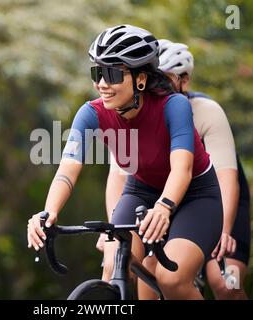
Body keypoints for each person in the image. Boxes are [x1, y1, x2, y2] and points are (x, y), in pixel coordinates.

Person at [27, 25, 223, 299]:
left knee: (171, 279)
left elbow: (183, 169)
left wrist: (164, 208)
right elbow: (67, 170)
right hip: (141, 191)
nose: (101, 84)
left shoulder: (173, 105)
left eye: (112, 74)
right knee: (113, 266)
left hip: (195, 195)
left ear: (141, 79)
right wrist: (48, 212)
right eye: (97, 73)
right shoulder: (90, 113)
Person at [99, 39, 250, 299]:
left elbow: (227, 178)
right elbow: (119, 178)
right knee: (140, 269)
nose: (156, 89)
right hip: (158, 196)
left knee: (226, 283)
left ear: (184, 81)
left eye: (165, 81)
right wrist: (111, 228)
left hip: (214, 199)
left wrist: (224, 230)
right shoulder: (132, 114)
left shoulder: (207, 112)